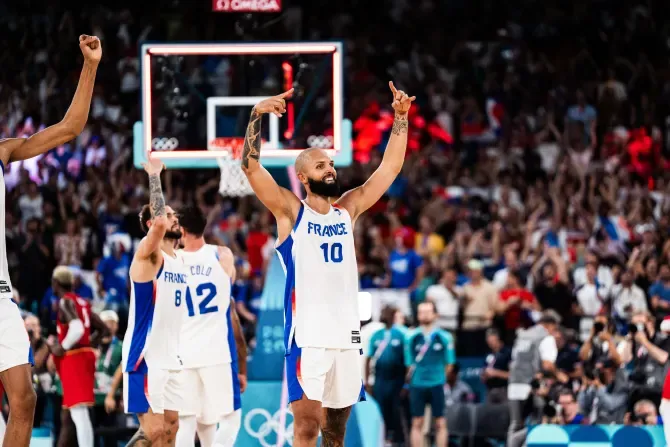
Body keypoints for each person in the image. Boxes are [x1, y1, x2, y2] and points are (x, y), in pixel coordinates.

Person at [241, 81, 414, 446]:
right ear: (303, 177)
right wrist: (256, 115)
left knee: (336, 434)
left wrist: (401, 119)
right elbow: (251, 167)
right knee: (305, 429)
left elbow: (390, 168)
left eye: (331, 163)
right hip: (308, 336)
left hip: (346, 336)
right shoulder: (291, 211)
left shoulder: (347, 209)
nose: (330, 168)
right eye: (321, 165)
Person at [0, 34, 101, 447]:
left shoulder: (3, 152)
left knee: (25, 399)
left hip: (0, 297)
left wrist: (91, 64)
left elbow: (69, 129)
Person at [121, 159, 188, 446]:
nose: (174, 218)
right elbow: (160, 222)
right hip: (146, 356)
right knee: (156, 432)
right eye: (169, 214)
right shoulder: (149, 256)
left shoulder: (180, 259)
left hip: (171, 355)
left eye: (175, 214)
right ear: (150, 224)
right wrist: (154, 175)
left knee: (171, 429)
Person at [174, 205, 248, 447]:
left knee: (188, 423)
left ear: (181, 231)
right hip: (216, 351)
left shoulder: (172, 261)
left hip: (184, 352)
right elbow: (233, 281)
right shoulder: (222, 254)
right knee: (231, 419)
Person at [47, 266, 109, 447]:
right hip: (83, 355)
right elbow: (103, 329)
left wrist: (62, 346)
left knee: (79, 412)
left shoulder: (66, 301)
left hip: (75, 357)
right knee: (72, 412)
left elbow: (77, 329)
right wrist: (90, 344)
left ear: (55, 283)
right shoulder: (82, 302)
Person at [405, 300, 455, 447]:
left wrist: (439, 377)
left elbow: (450, 363)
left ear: (435, 315)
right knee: (417, 422)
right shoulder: (411, 336)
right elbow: (408, 364)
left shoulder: (445, 337)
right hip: (417, 384)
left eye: (427, 311)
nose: (424, 315)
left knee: (440, 422)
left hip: (437, 384)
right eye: (421, 312)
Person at [507, 310, 561, 447]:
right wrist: (559, 374)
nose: (555, 332)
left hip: (514, 383)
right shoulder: (546, 338)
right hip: (533, 385)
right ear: (549, 325)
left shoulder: (523, 335)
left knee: (515, 424)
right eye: (555, 329)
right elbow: (547, 365)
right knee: (537, 423)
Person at [365, 305, 408, 445]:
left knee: (396, 411)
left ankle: (397, 440)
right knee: (380, 410)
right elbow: (368, 359)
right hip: (380, 379)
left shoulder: (401, 334)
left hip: (397, 379)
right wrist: (368, 382)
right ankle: (381, 439)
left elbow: (408, 361)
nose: (386, 315)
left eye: (389, 313)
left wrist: (406, 384)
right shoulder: (376, 335)